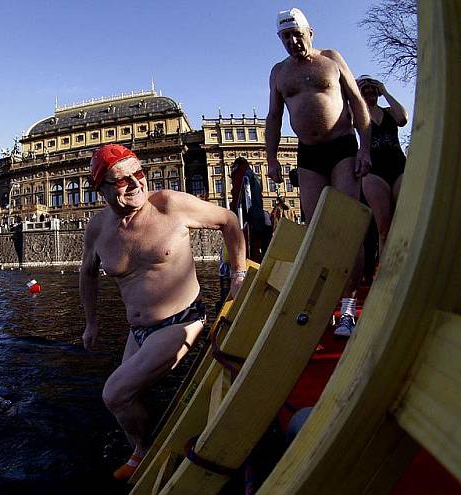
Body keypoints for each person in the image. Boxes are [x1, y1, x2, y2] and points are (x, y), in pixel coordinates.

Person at [80, 143, 247, 480]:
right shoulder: (98, 228)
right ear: (100, 189)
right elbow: (86, 273)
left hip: (181, 320)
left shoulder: (170, 205)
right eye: (123, 180)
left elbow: (228, 221)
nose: (136, 183)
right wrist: (91, 323)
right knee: (128, 395)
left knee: (114, 394)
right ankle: (146, 446)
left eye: (138, 173)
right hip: (137, 331)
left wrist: (238, 274)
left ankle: (144, 452)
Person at [266, 7, 371, 337]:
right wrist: (271, 160)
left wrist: (365, 147)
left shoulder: (331, 59)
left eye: (298, 34)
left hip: (341, 147)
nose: (293, 41)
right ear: (280, 40)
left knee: (345, 225)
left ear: (310, 32)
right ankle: (325, 302)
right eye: (286, 37)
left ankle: (349, 308)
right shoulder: (279, 73)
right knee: (315, 231)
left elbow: (356, 101)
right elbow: (273, 118)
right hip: (307, 154)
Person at [356, 75, 409, 258]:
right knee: (384, 226)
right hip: (374, 171)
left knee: (406, 218)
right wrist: (355, 92)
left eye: (373, 88)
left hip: (398, 165)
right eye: (365, 89)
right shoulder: (358, 113)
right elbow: (344, 116)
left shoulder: (388, 112)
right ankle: (386, 270)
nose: (370, 92)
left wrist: (385, 91)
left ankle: (408, 259)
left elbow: (402, 118)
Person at [229, 157, 266, 262]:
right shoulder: (253, 175)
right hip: (257, 212)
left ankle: (245, 265)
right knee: (256, 243)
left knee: (246, 242)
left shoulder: (241, 173)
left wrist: (233, 211)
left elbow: (237, 194)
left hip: (246, 213)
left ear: (237, 165)